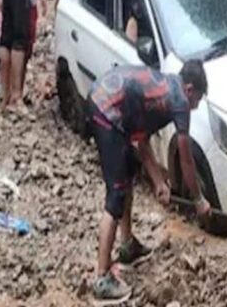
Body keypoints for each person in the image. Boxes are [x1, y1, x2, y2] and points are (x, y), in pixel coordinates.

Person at [87, 62, 211, 303]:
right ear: (189, 89)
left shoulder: (165, 88)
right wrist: (199, 200)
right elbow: (186, 159)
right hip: (106, 110)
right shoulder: (179, 101)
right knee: (116, 195)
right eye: (196, 100)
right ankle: (102, 278)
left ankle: (127, 246)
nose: (194, 107)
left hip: (112, 108)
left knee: (128, 176)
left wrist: (158, 183)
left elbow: (142, 142)